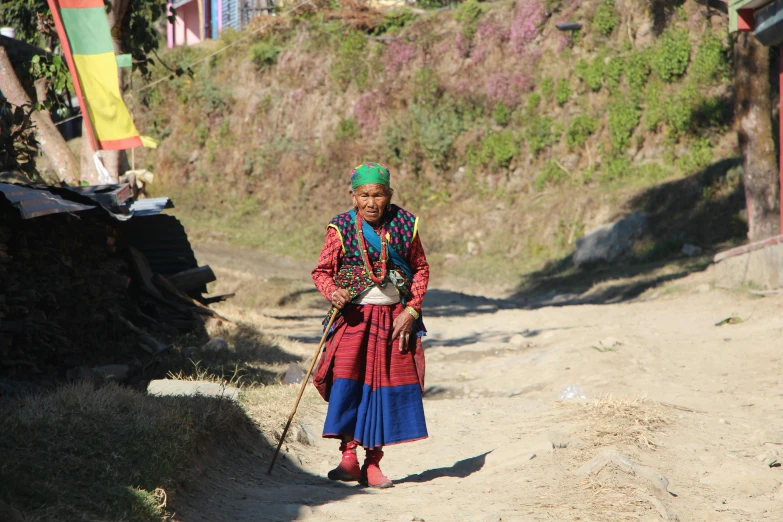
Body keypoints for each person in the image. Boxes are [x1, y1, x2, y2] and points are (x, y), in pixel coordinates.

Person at [311, 162, 429, 489]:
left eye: (378, 195)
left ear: (389, 195)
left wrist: (412, 311)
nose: (371, 202)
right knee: (347, 383)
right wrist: (332, 292)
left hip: (394, 320)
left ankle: (373, 463)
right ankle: (348, 455)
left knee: (384, 389)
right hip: (354, 318)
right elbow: (321, 272)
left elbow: (420, 269)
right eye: (364, 195)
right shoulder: (340, 229)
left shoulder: (405, 225)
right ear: (353, 197)